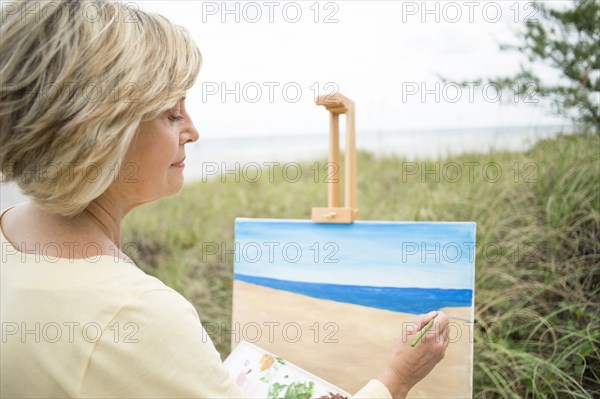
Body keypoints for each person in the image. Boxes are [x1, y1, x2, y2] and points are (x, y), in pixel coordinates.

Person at [0, 1, 450, 397]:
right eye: (172, 114)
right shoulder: (137, 316)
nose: (193, 131)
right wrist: (395, 379)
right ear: (101, 133)